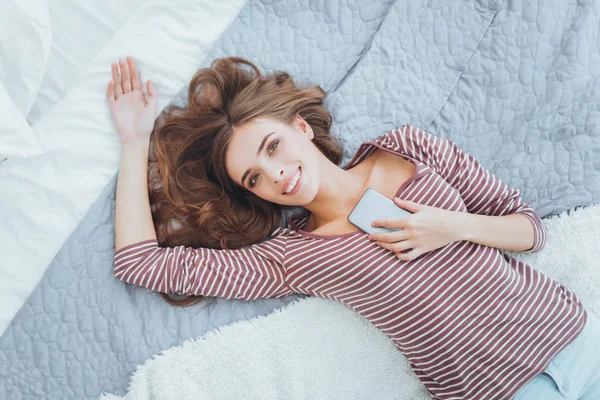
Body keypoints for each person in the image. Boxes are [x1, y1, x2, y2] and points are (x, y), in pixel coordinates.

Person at [106, 56, 599, 400]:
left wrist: (450, 226)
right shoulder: (291, 256)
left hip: (575, 340)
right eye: (253, 177)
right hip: (502, 393)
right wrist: (134, 141)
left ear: (300, 128)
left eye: (272, 147)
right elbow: (138, 263)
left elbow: (530, 229)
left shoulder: (407, 147)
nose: (274, 174)